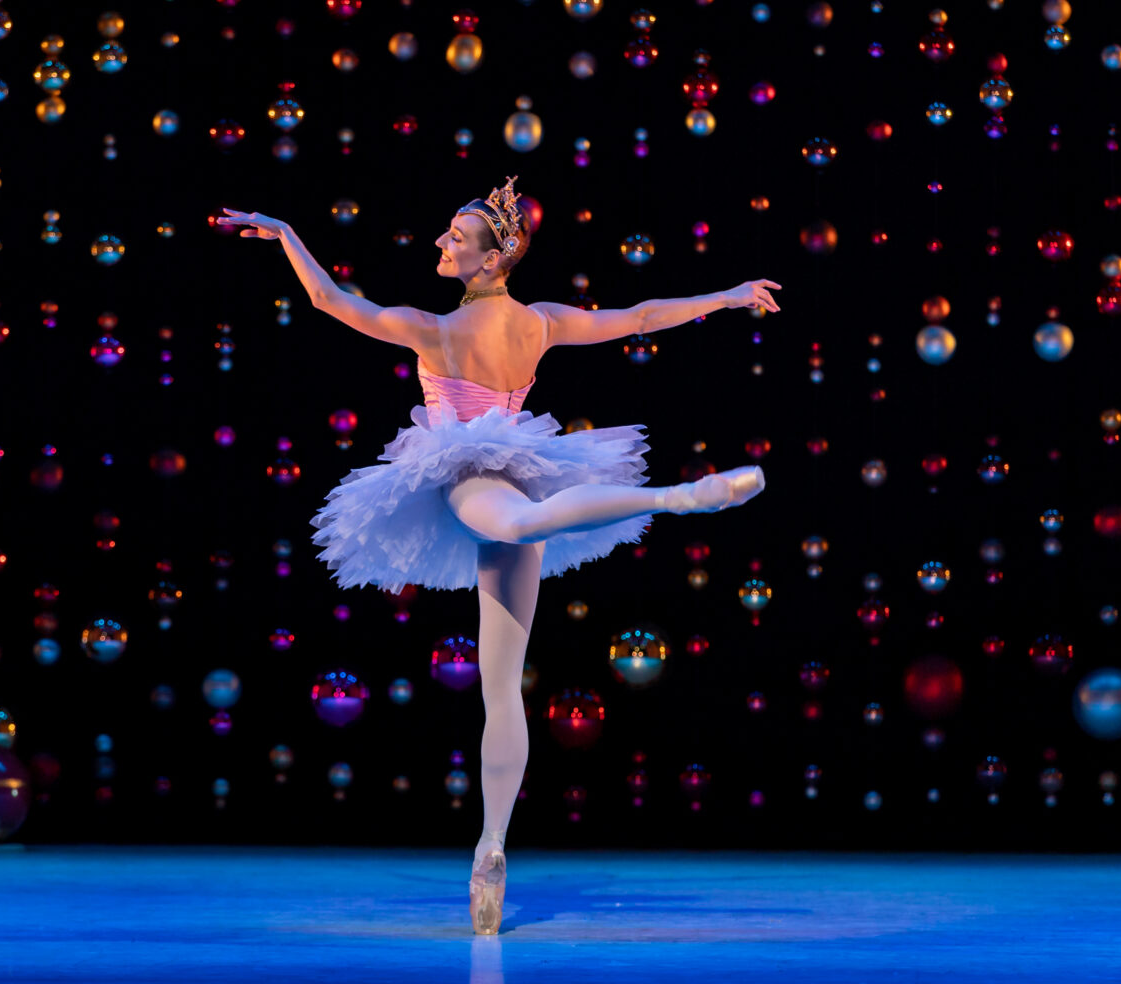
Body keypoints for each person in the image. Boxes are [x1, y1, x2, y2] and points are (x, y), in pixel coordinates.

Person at [217, 177, 782, 935]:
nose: (441, 244)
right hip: (519, 471)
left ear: (492, 260)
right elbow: (641, 317)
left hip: (471, 476)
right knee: (501, 679)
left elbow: (330, 303)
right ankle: (489, 846)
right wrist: (726, 294)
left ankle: (676, 499)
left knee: (520, 541)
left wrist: (287, 233)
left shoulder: (432, 329)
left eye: (456, 237)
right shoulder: (539, 322)